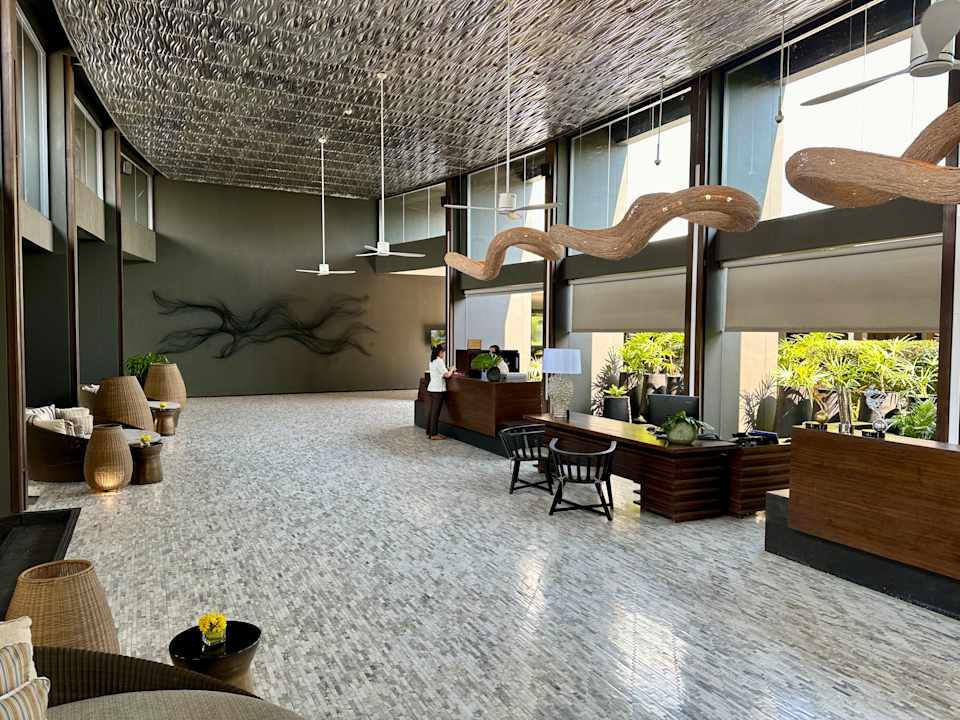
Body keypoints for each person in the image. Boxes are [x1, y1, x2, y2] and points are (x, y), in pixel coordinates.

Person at [426, 344, 455, 440]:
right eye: (443, 352)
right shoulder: (439, 361)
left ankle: (429, 431)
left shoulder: (432, 361)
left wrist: (447, 370)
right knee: (435, 413)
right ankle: (433, 435)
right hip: (438, 390)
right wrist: (452, 370)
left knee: (431, 412)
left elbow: (440, 372)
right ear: (439, 352)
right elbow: (447, 375)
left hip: (431, 388)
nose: (444, 354)